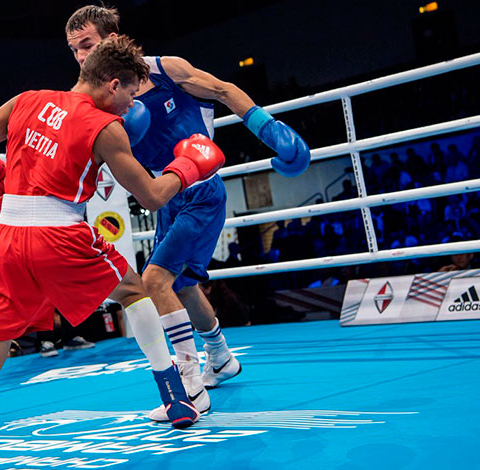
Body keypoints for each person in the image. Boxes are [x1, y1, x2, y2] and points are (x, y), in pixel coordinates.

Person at [0, 35, 225, 470]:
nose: (134, 105)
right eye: (132, 94)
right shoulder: (106, 127)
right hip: (59, 234)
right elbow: (151, 196)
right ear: (113, 85)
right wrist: (186, 167)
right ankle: (174, 397)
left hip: (7, 237)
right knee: (134, 291)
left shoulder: (27, 100)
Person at [64, 5, 311, 421]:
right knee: (180, 286)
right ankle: (221, 359)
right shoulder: (90, 98)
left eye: (87, 45)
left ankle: (190, 389)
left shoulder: (165, 69)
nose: (81, 57)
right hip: (165, 193)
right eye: (73, 50)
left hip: (201, 189)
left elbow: (223, 90)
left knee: (155, 280)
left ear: (110, 37)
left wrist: (269, 129)